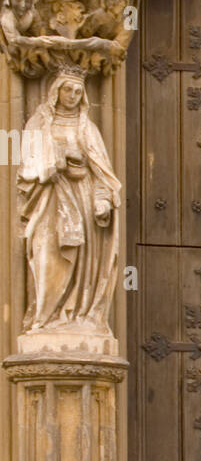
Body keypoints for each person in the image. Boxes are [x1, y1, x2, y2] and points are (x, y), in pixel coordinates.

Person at [18, 70, 121, 335]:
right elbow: (26, 163)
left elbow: (102, 170)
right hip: (50, 197)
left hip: (82, 196)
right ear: (56, 91)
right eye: (68, 90)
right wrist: (55, 161)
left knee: (83, 258)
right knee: (48, 256)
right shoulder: (39, 122)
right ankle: (46, 317)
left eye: (78, 92)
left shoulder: (88, 127)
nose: (73, 97)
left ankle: (79, 314)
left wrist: (103, 200)